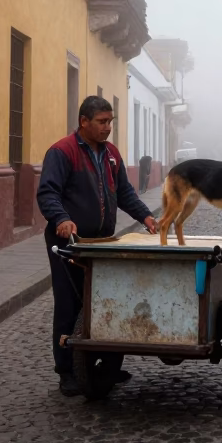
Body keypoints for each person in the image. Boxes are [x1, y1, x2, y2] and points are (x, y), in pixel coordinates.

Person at [36, 95, 158, 396]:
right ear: (84, 122)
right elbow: (48, 193)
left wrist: (146, 216)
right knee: (70, 305)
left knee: (109, 301)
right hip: (70, 243)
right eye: (102, 122)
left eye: (110, 122)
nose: (108, 128)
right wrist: (61, 219)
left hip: (103, 243)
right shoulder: (61, 152)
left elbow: (125, 193)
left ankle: (108, 367)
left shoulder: (112, 155)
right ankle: (67, 371)